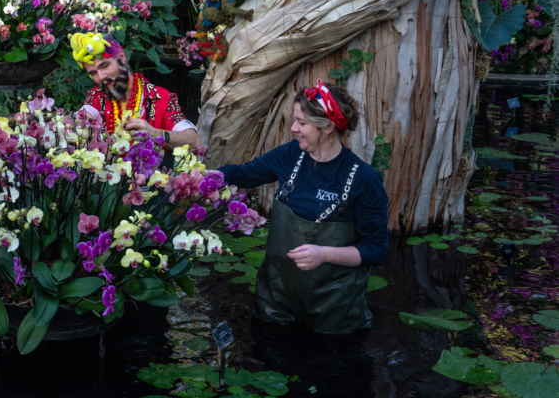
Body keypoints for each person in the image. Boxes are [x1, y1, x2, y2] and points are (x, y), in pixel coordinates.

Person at [217, 79, 388, 333]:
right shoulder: (290, 155)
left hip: (334, 312)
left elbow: (377, 250)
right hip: (276, 303)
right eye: (294, 120)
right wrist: (200, 177)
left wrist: (324, 254)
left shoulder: (364, 179)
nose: (294, 128)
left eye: (303, 123)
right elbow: (242, 174)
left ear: (328, 127)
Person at [72, 32, 202, 149]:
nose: (101, 77)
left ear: (122, 57)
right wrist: (79, 119)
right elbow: (85, 113)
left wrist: (156, 134)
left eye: (105, 66)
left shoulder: (160, 97)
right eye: (94, 73)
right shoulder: (97, 96)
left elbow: (195, 142)